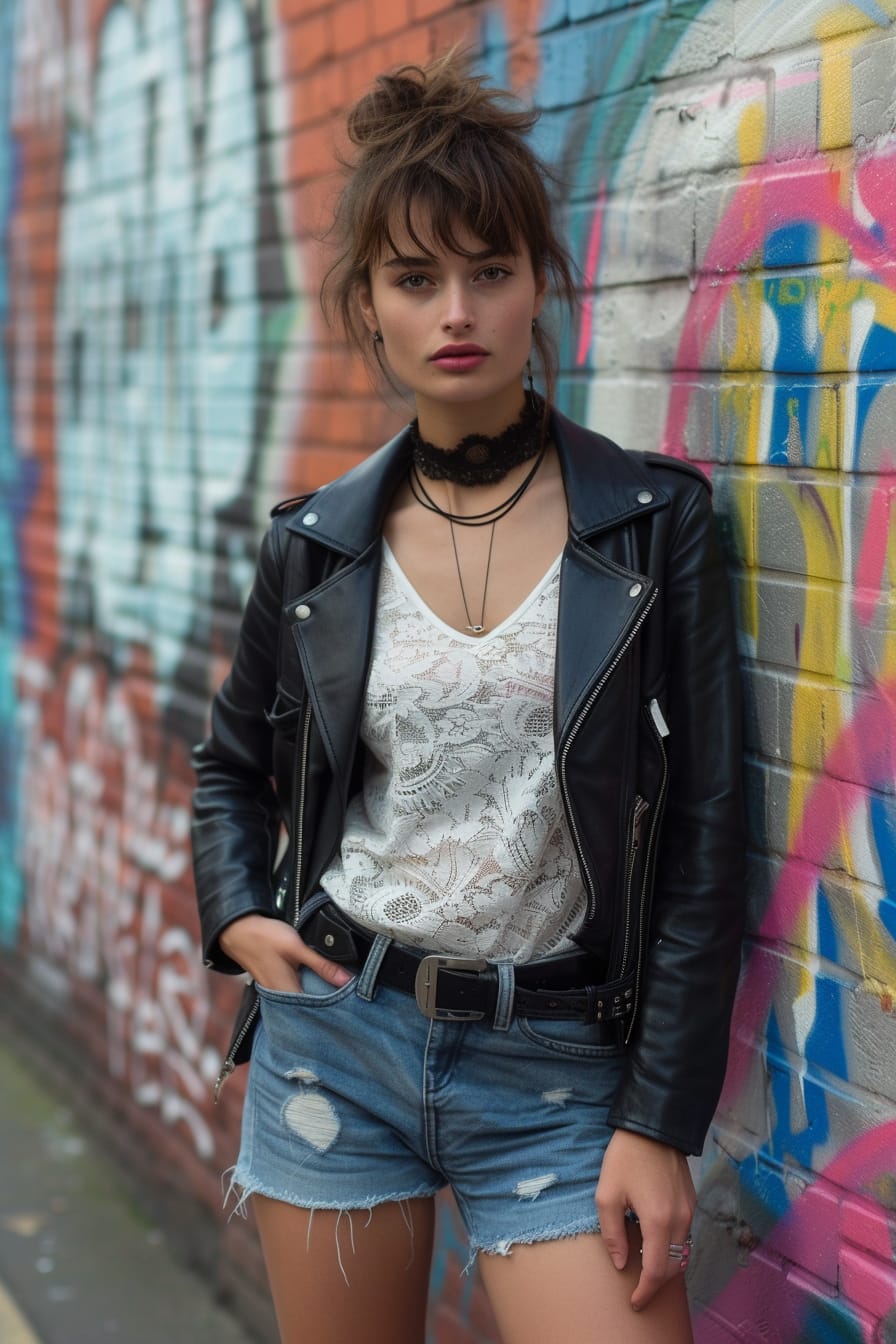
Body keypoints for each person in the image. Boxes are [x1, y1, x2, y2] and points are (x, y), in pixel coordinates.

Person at [191, 52, 744, 1344]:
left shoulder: (651, 529)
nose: (458, 308)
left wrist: (659, 1119)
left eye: (490, 270)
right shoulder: (317, 545)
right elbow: (228, 766)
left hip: (554, 1067)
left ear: (538, 284)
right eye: (415, 277)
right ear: (367, 306)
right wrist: (237, 917)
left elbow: (709, 836)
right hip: (335, 1043)